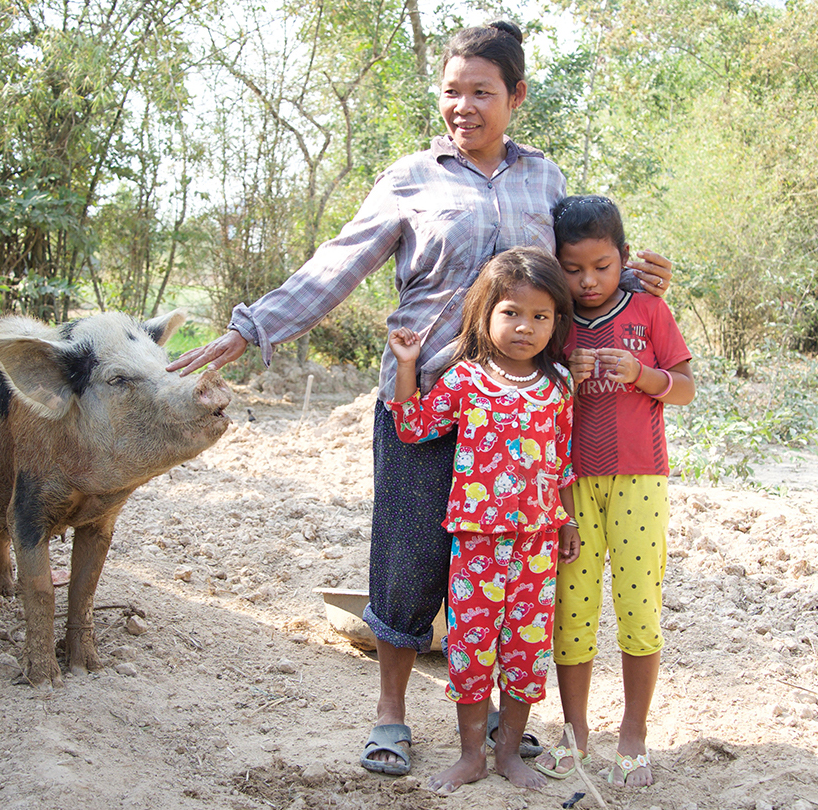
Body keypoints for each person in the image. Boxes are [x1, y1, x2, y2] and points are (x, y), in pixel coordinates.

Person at [167, 21, 673, 776]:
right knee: (409, 563)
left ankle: (505, 725)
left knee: (515, 569)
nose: (463, 106)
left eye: (482, 92)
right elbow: (337, 264)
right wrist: (249, 330)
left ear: (517, 97)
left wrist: (629, 283)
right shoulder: (411, 177)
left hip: (520, 412)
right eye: (451, 91)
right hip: (426, 396)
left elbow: (570, 271)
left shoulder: (547, 179)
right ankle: (392, 716)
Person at [386, 246, 579, 793]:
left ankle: (509, 755)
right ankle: (471, 755)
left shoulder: (559, 385)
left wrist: (564, 519)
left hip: (537, 544)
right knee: (471, 648)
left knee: (526, 649)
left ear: (555, 323)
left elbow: (560, 459)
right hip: (474, 544)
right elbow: (413, 427)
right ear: (487, 314)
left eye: (540, 317)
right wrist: (406, 367)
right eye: (512, 313)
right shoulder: (466, 379)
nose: (525, 327)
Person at [531, 195, 694, 787]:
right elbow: (534, 394)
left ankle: (633, 732)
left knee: (638, 604)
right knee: (572, 606)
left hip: (639, 481)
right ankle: (574, 734)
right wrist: (560, 376)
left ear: (623, 259)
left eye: (601, 266)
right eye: (572, 269)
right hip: (570, 487)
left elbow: (684, 388)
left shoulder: (649, 309)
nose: (587, 280)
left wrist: (642, 375)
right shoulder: (553, 320)